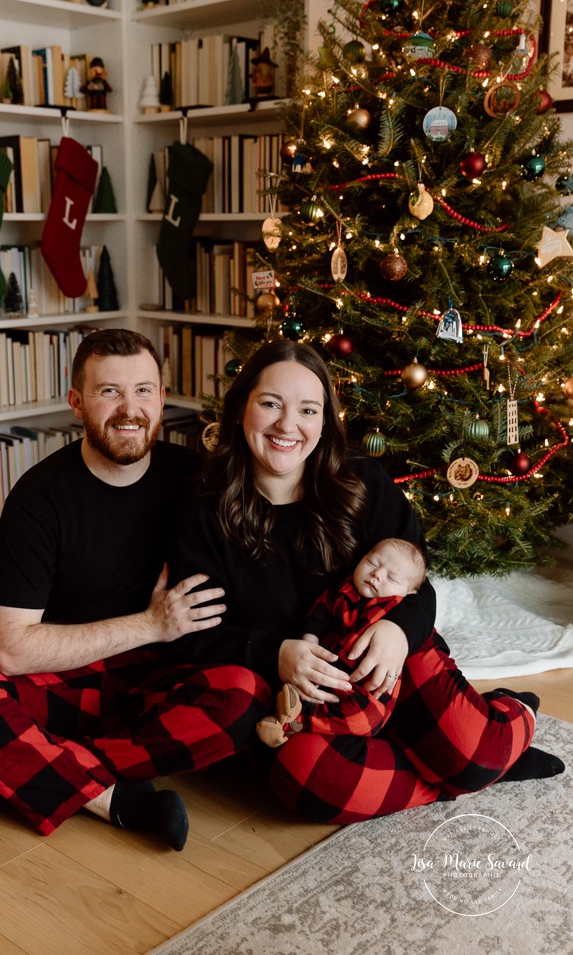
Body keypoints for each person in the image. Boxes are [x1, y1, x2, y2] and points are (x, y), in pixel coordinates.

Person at [0, 329, 269, 850]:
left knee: (243, 696)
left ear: (161, 398)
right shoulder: (39, 498)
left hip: (167, 678)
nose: (129, 409)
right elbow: (13, 649)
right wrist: (150, 624)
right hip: (66, 677)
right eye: (109, 391)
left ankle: (20, 767)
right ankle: (111, 797)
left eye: (143, 390)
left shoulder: (198, 479)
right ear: (77, 403)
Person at [168, 339, 564, 825]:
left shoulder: (362, 483)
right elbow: (195, 635)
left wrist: (399, 631)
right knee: (310, 781)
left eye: (307, 410)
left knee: (474, 754)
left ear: (325, 420)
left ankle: (505, 723)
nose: (287, 425)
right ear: (240, 409)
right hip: (297, 695)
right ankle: (464, 774)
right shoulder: (202, 510)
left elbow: (419, 587)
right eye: (270, 403)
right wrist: (273, 653)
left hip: (384, 658)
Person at [255, 538, 426, 748]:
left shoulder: (393, 607)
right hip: (324, 665)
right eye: (372, 563)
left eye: (391, 577)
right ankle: (291, 712)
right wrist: (310, 641)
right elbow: (317, 615)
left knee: (367, 717)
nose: (377, 574)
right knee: (300, 684)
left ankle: (296, 720)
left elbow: (358, 652)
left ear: (409, 594)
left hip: (365, 687)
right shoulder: (340, 590)